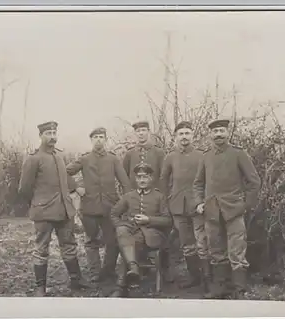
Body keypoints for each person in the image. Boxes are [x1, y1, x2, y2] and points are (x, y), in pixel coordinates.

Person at [18, 121, 91, 297]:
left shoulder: (58, 157)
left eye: (54, 133)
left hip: (64, 210)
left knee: (69, 245)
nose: (52, 137)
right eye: (48, 133)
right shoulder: (33, 159)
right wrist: (37, 203)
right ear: (41, 136)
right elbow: (24, 189)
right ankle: (40, 287)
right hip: (43, 212)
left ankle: (76, 280)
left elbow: (64, 178)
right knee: (41, 248)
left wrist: (75, 188)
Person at [193, 119, 261, 299]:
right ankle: (220, 288)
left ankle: (239, 289)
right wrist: (200, 202)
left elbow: (254, 182)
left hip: (234, 210)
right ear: (210, 135)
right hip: (211, 211)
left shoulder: (239, 154)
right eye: (215, 131)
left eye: (221, 131)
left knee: (237, 250)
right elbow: (198, 184)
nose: (218, 135)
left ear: (228, 133)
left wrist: (245, 205)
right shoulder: (206, 156)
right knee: (215, 249)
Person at [66, 127, 132, 283]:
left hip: (110, 207)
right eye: (95, 137)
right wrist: (75, 187)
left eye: (101, 137)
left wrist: (126, 203)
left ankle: (108, 270)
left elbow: (125, 182)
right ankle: (95, 272)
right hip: (89, 207)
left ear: (106, 139)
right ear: (91, 140)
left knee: (112, 241)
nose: (98, 140)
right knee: (91, 241)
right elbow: (65, 172)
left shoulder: (113, 159)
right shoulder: (85, 159)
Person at [109, 162, 173, 297]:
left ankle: (122, 285)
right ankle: (133, 270)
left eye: (145, 177)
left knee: (127, 243)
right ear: (135, 179)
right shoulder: (129, 196)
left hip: (153, 235)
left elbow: (168, 220)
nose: (142, 180)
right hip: (131, 232)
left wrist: (148, 219)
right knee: (122, 232)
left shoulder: (159, 197)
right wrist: (121, 224)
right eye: (139, 177)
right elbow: (114, 214)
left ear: (151, 178)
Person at [160, 121, 210, 291]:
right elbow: (163, 181)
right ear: (176, 137)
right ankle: (194, 277)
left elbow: (207, 180)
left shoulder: (202, 156)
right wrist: (167, 201)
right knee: (187, 243)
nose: (184, 137)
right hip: (177, 207)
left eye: (187, 133)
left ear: (193, 135)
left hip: (198, 206)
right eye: (181, 134)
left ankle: (208, 280)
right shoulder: (170, 157)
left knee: (202, 242)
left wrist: (202, 201)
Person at [122, 120, 173, 282]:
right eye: (138, 131)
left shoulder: (159, 153)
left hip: (156, 200)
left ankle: (164, 269)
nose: (141, 134)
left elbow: (165, 176)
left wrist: (162, 197)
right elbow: (125, 178)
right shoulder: (130, 154)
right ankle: (137, 268)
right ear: (135, 134)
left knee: (159, 231)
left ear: (149, 132)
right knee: (135, 232)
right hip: (135, 199)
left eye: (144, 130)